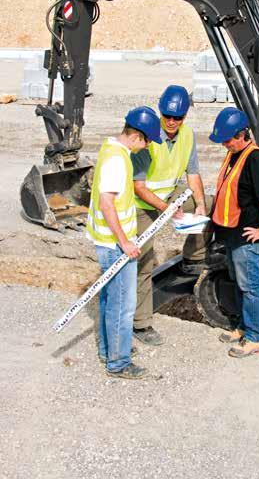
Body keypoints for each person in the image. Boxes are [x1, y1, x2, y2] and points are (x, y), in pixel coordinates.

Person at [131, 85, 213, 345]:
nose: (171, 121)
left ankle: (194, 258)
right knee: (143, 261)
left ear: (185, 116)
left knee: (211, 205)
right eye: (167, 115)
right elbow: (138, 187)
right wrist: (166, 209)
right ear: (160, 111)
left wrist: (199, 204)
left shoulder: (187, 135)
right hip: (141, 204)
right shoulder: (147, 137)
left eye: (177, 117)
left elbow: (193, 174)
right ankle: (140, 324)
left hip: (168, 195)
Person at [86, 106, 162, 379]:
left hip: (107, 241)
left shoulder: (111, 148)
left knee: (110, 300)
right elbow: (107, 203)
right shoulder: (118, 160)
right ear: (137, 137)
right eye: (148, 141)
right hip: (114, 244)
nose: (147, 147)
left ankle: (109, 350)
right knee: (122, 304)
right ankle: (118, 363)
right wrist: (125, 242)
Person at [209, 107, 259, 358]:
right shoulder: (234, 154)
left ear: (242, 134)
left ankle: (255, 337)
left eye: (228, 140)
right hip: (231, 233)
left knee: (250, 286)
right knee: (239, 284)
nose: (225, 145)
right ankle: (242, 327)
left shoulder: (255, 159)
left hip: (245, 238)